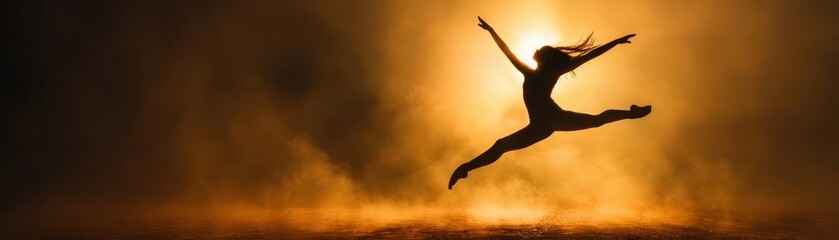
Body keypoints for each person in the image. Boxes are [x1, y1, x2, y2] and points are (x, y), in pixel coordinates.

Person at [448, 17, 652, 190]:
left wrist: (616, 42)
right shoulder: (528, 71)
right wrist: (491, 30)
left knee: (597, 120)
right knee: (501, 146)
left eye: (540, 49)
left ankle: (632, 113)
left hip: (555, 117)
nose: (535, 49)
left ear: (545, 58)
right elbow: (506, 50)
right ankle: (464, 168)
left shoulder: (552, 72)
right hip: (539, 126)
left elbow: (590, 56)